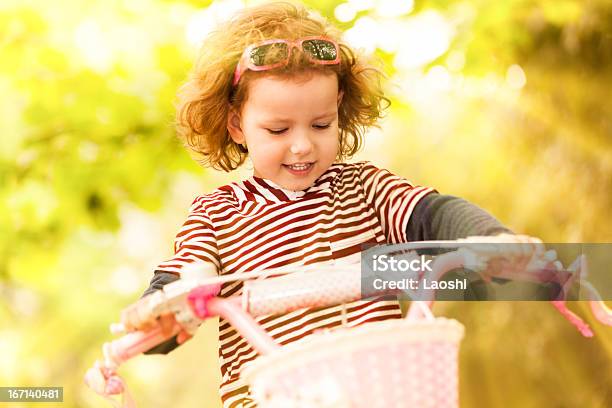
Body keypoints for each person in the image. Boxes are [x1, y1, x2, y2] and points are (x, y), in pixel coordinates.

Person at [127, 2, 544, 407]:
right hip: (271, 397)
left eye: (322, 124)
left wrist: (494, 241)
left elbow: (430, 215)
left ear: (339, 111)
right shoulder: (215, 214)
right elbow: (188, 272)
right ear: (236, 124)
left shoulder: (365, 189)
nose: (303, 144)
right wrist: (170, 308)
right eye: (277, 129)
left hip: (381, 391)